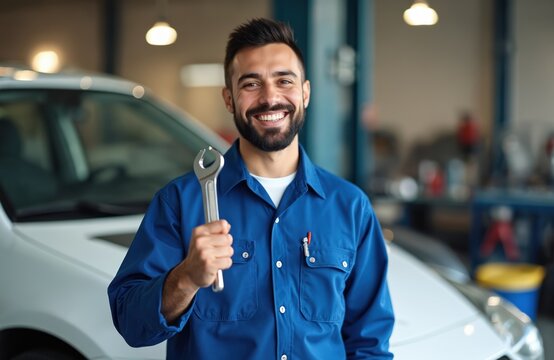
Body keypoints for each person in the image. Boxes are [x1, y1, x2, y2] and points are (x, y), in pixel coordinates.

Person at [108, 18, 394, 359]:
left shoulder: (350, 207)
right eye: (251, 84)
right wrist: (186, 277)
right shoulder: (180, 202)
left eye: (284, 81)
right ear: (229, 99)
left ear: (305, 93)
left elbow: (369, 343)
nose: (270, 98)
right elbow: (130, 323)